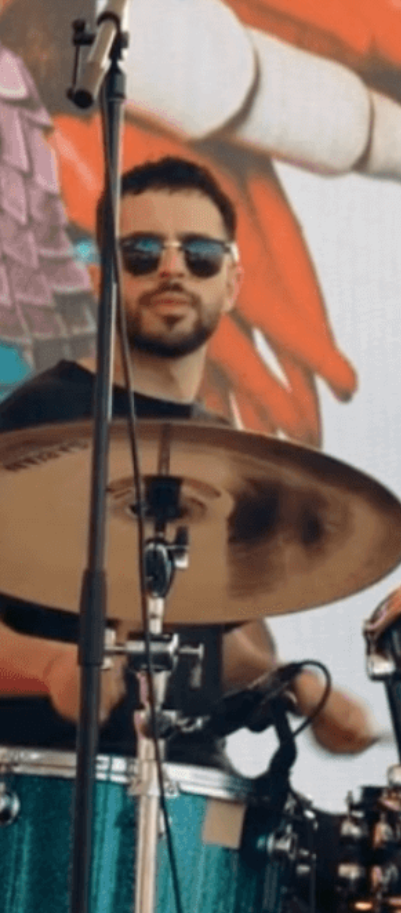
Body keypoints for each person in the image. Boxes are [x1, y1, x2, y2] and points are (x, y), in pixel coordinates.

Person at [0, 155, 376, 757]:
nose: (172, 270)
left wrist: (296, 686)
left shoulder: (228, 454)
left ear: (231, 285)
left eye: (199, 255)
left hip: (186, 799)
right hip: (47, 800)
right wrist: (50, 667)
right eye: (143, 252)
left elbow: (213, 640)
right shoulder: (38, 419)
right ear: (104, 278)